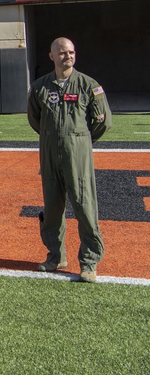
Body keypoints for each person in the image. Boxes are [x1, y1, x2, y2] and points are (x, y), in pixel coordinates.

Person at [27, 38, 111, 283]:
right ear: (51, 56)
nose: (68, 56)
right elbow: (35, 120)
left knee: (84, 207)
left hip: (78, 154)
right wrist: (53, 138)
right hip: (50, 153)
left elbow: (103, 122)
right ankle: (56, 256)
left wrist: (79, 141)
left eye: (71, 52)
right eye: (62, 52)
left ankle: (89, 262)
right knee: (52, 209)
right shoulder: (40, 87)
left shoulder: (88, 85)